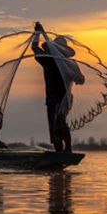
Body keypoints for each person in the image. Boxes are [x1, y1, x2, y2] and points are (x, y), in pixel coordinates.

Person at [32, 22, 85, 152]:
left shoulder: (70, 63)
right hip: (51, 97)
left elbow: (81, 79)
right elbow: (34, 47)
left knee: (59, 121)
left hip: (64, 97)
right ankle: (59, 153)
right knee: (53, 126)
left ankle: (68, 148)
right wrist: (37, 33)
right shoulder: (47, 60)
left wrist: (75, 77)